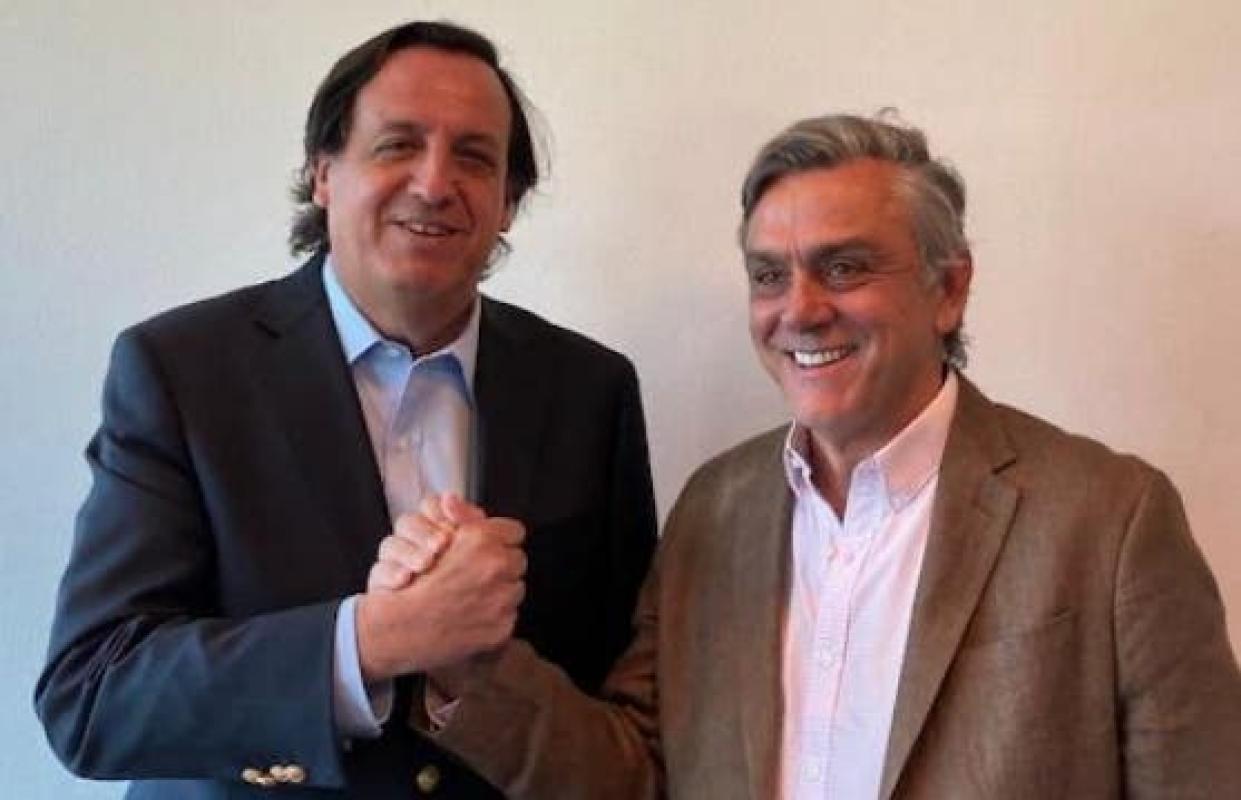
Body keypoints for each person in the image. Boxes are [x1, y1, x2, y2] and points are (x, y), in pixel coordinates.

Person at [373, 113, 1241, 798]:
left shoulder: (1110, 518)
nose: (799, 309)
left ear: (947, 289)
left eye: (844, 267)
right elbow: (631, 775)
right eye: (767, 276)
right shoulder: (713, 511)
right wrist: (467, 663)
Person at [34, 20, 656, 799]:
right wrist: (373, 639)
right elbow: (93, 697)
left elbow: (616, 707)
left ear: (508, 201)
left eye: (474, 157)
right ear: (323, 172)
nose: (434, 183)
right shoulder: (181, 372)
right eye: (397, 144)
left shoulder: (591, 390)